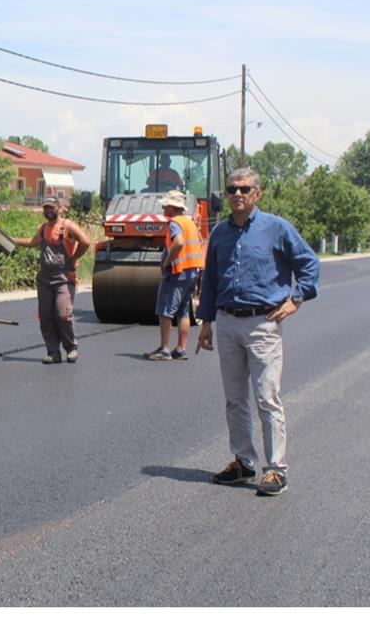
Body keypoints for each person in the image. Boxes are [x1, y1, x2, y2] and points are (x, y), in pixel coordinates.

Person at [195, 168, 319, 497]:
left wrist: (296, 299)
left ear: (257, 194)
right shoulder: (220, 233)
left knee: (267, 398)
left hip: (262, 324)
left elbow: (308, 263)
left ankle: (276, 469)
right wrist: (205, 322)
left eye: (244, 189)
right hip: (227, 322)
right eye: (232, 188)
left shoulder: (276, 228)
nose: (237, 194)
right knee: (235, 399)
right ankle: (243, 462)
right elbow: (210, 280)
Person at [13, 196, 90, 363]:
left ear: (59, 208)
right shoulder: (43, 229)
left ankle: (71, 347)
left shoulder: (68, 226)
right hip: (45, 279)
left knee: (63, 314)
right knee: (46, 316)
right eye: (45, 208)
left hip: (64, 278)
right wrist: (12, 241)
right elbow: (31, 242)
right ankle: (53, 351)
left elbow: (85, 241)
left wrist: (74, 258)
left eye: (51, 208)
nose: (48, 211)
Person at [144, 190, 204, 361]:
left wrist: (167, 262)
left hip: (177, 273)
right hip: (192, 272)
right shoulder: (190, 222)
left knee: (166, 311)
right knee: (183, 311)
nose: (163, 207)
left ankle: (164, 349)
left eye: (165, 205)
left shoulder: (174, 223)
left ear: (173, 207)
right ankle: (181, 348)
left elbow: (178, 242)